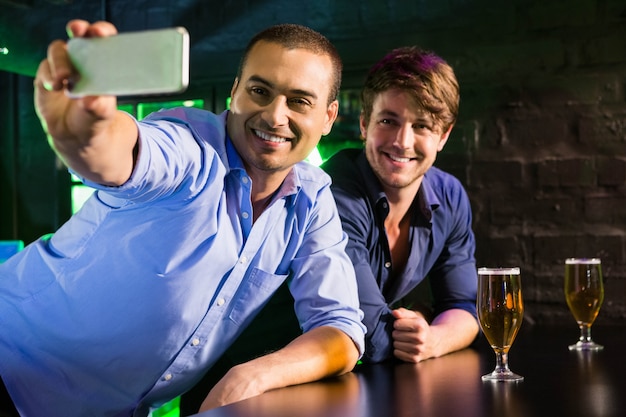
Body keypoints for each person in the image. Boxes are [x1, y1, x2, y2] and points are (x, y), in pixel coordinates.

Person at [0, 19, 365, 417]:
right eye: (259, 91)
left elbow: (340, 327)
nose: (275, 116)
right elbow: (125, 152)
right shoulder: (190, 146)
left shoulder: (312, 199)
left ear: (329, 116)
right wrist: (84, 136)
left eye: (299, 101)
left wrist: (251, 377)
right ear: (234, 91)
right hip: (11, 369)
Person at [320, 46, 479, 364]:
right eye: (389, 121)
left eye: (422, 126)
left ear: (443, 137)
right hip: (273, 369)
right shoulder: (334, 190)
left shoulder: (450, 196)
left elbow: (463, 307)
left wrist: (433, 339)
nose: (402, 141)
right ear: (365, 124)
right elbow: (373, 335)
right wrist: (417, 330)